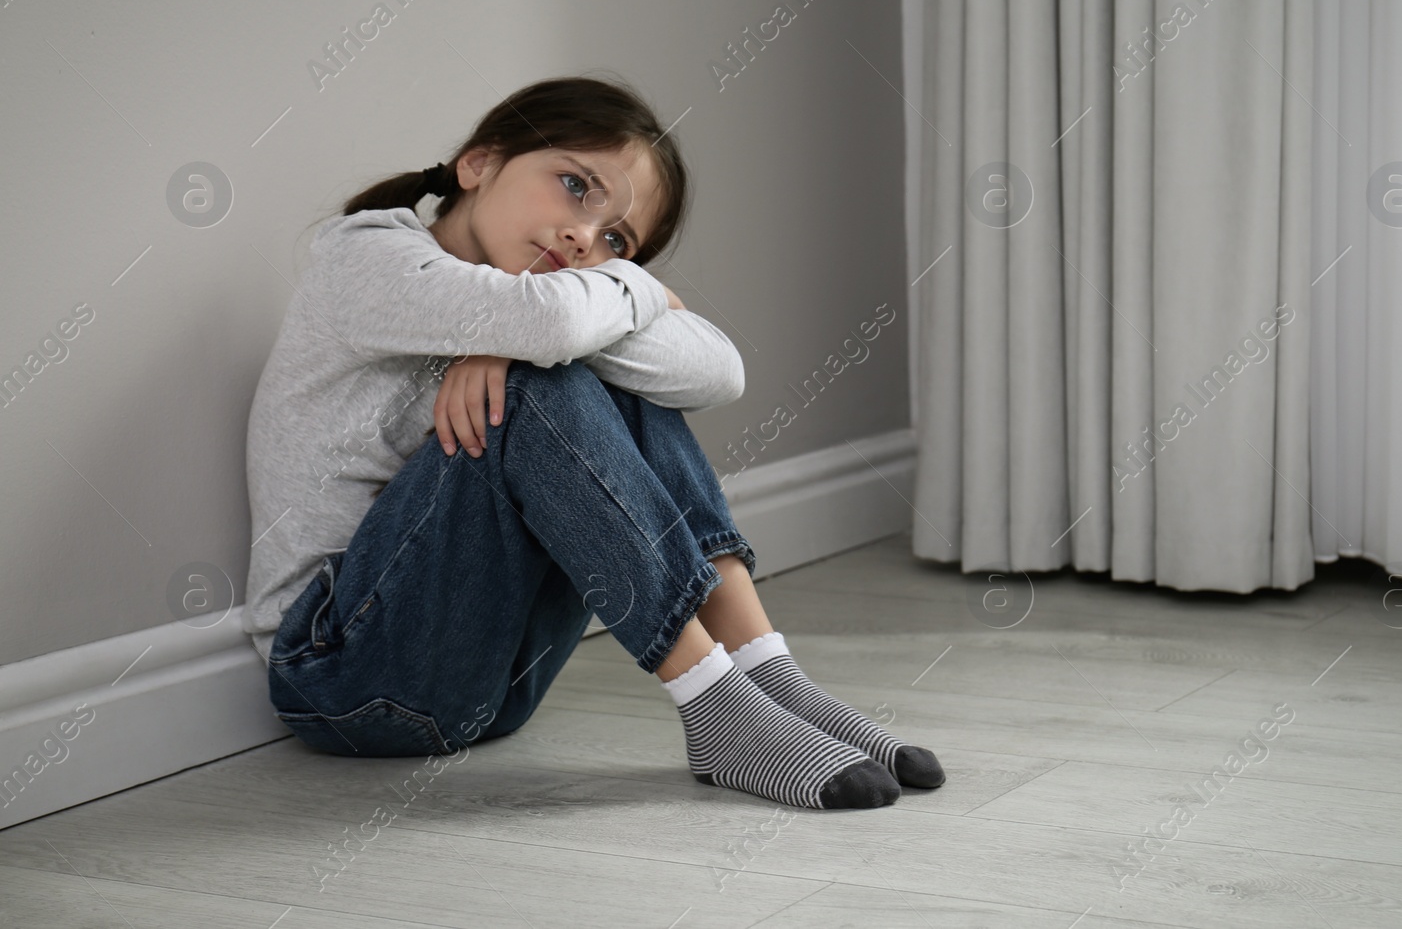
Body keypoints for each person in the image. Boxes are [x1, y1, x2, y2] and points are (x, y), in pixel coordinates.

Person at [243, 74, 944, 811]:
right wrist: (634, 290)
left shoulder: (542, 303)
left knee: (582, 372)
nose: (586, 238)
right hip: (340, 675)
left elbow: (718, 370)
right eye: (576, 186)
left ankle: (770, 677)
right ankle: (716, 708)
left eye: (618, 241)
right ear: (480, 163)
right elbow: (552, 328)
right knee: (543, 380)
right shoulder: (364, 255)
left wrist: (535, 331)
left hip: (498, 682)